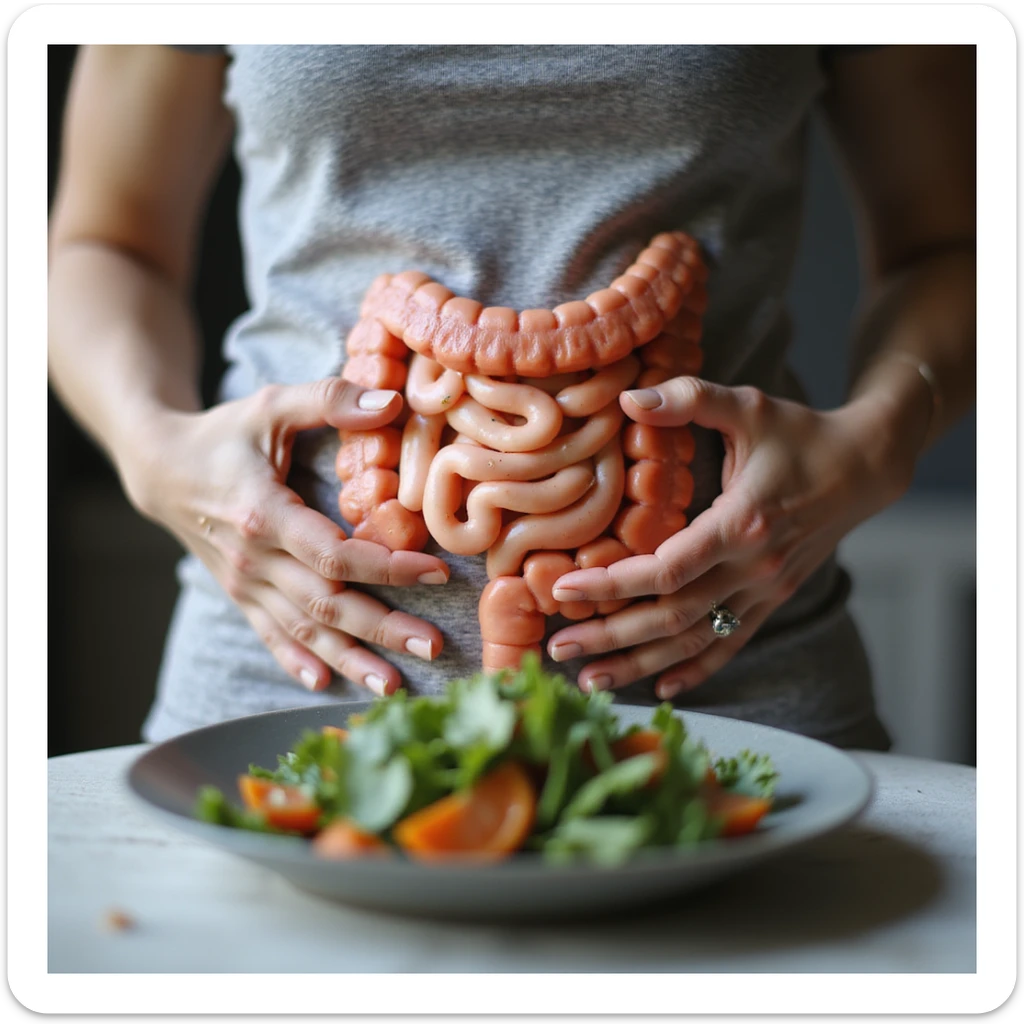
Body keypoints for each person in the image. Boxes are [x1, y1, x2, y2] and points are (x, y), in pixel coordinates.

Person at [47, 45, 976, 747]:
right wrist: (152, 451)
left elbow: (958, 243)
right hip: (287, 687)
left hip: (732, 668)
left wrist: (878, 444)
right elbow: (102, 239)